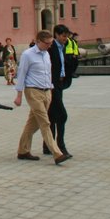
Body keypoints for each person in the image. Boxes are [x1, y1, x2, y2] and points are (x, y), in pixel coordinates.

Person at [13, 30, 70, 165]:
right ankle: (57, 153)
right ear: (38, 41)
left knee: (33, 124)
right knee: (45, 122)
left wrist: (50, 87)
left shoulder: (46, 54)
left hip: (46, 91)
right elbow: (21, 75)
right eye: (47, 43)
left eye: (51, 43)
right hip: (33, 91)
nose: (49, 46)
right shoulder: (28, 55)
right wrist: (19, 95)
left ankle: (23, 150)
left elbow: (47, 72)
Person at [45, 25, 71, 156]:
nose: (65, 38)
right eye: (63, 36)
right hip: (51, 85)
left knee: (52, 115)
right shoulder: (51, 48)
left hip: (59, 84)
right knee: (62, 115)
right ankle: (60, 145)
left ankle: (47, 146)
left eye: (67, 36)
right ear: (56, 34)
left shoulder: (63, 47)